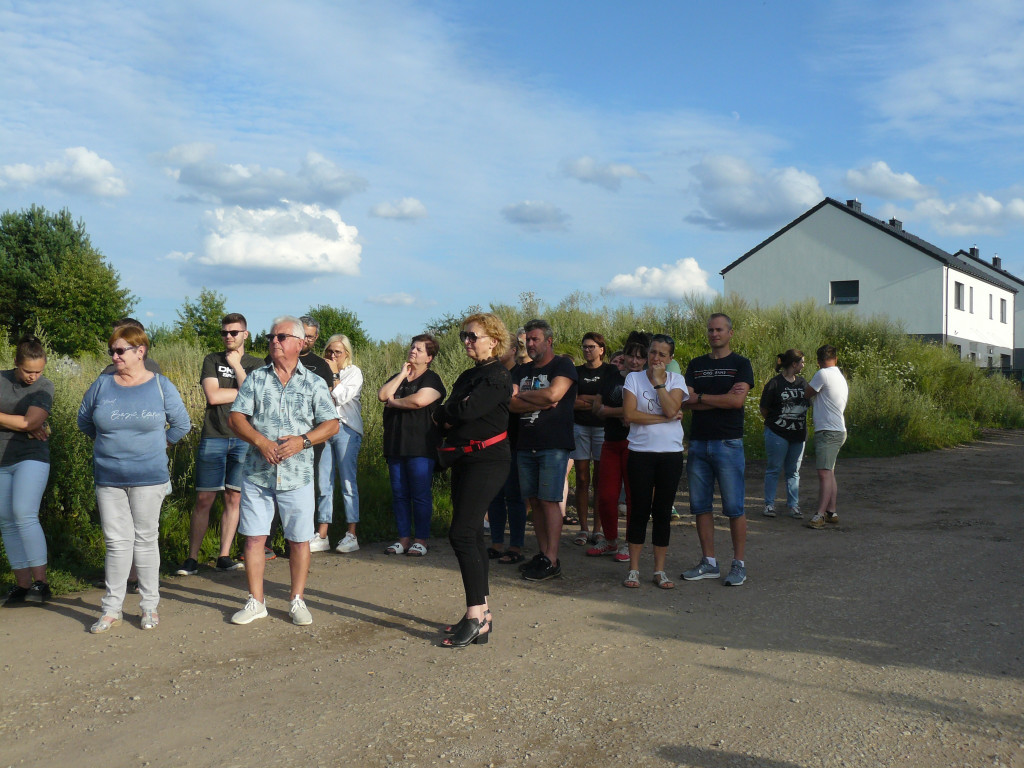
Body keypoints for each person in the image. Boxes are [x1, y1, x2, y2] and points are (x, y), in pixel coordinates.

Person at [78, 325, 191, 632]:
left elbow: (182, 424)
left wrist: (158, 446)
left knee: (145, 539)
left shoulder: (160, 386)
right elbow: (84, 420)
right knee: (116, 543)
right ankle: (111, 609)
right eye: (111, 351)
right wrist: (108, 447)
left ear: (140, 352)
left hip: (149, 476)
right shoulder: (102, 385)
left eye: (120, 351)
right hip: (109, 476)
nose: (114, 357)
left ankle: (149, 607)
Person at [227, 316, 338, 625]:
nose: (274, 341)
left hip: (297, 474)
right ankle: (256, 601)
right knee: (253, 538)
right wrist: (260, 441)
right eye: (271, 336)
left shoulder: (314, 382)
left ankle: (297, 599)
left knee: (299, 540)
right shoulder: (256, 379)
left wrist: (304, 441)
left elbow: (331, 424)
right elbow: (236, 418)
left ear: (300, 343)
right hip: (257, 473)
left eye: (282, 336)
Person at [437, 314, 512, 647]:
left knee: (463, 533)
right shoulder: (470, 375)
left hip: (489, 461)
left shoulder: (497, 375)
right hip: (464, 459)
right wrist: (453, 410)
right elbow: (448, 410)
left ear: (492, 340)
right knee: (472, 537)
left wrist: (453, 410)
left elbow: (463, 412)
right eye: (463, 336)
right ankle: (482, 614)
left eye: (472, 336)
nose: (466, 341)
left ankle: (476, 616)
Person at [176, 313, 262, 576]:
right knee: (204, 498)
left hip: (243, 438)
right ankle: (192, 558)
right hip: (214, 435)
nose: (228, 336)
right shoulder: (211, 359)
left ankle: (223, 555)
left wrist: (237, 367)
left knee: (233, 497)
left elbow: (256, 399)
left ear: (245, 334)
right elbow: (213, 396)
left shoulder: (256, 364)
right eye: (224, 332)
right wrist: (243, 391)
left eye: (234, 332)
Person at [681, 313, 754, 587]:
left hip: (728, 443)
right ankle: (709, 562)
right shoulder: (696, 364)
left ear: (730, 333)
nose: (714, 334)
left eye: (719, 329)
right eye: (710, 330)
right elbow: (685, 401)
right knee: (700, 507)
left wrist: (700, 397)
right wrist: (718, 399)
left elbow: (737, 403)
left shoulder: (741, 364)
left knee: (734, 507)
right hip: (698, 442)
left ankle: (739, 564)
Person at [509, 318, 578, 582]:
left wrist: (528, 397)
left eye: (535, 339)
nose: (530, 344)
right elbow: (511, 404)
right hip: (526, 443)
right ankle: (541, 553)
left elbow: (553, 396)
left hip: (553, 443)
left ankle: (552, 558)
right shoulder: (521, 371)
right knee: (534, 501)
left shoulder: (563, 365)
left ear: (549, 341)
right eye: (527, 339)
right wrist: (538, 398)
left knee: (549, 500)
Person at [621, 334, 688, 589]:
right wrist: (664, 418)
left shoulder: (676, 380)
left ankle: (659, 570)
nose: (655, 358)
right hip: (640, 453)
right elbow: (629, 414)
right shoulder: (633, 378)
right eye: (652, 352)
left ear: (670, 358)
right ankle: (634, 569)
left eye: (662, 354)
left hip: (669, 455)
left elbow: (673, 409)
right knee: (639, 510)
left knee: (662, 511)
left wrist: (660, 385)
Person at [378, 334, 446, 556]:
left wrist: (395, 402)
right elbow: (382, 395)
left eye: (419, 349)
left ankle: (421, 539)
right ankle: (403, 539)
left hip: (420, 447)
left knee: (420, 494)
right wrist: (401, 374)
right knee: (399, 494)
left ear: (429, 357)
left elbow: (419, 400)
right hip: (395, 446)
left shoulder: (432, 380)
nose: (413, 351)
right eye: (412, 347)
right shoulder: (400, 378)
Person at [0, 336, 54, 605]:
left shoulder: (44, 387)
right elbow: (23, 423)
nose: (34, 376)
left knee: (24, 513)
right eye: (28, 371)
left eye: (38, 371)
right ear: (15, 364)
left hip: (31, 456)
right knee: (7, 521)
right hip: (1, 461)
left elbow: (30, 421)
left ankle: (41, 584)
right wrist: (20, 424)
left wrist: (24, 424)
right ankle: (21, 585)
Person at [587, 337, 644, 560]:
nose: (635, 361)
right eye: (631, 355)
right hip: (610, 441)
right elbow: (596, 408)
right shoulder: (610, 376)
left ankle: (630, 545)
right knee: (606, 495)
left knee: (633, 497)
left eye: (640, 357)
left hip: (635, 443)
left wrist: (612, 411)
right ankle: (610, 540)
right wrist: (624, 412)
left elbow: (639, 411)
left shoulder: (647, 380)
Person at [310, 333, 364, 553]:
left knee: (348, 482)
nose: (332, 355)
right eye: (329, 351)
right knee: (324, 482)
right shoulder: (317, 373)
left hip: (346, 430)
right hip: (323, 428)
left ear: (346, 354)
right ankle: (322, 534)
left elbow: (340, 397)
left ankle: (352, 534)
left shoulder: (354, 372)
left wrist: (333, 374)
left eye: (337, 352)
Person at [570, 332, 615, 545]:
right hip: (579, 426)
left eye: (591, 347)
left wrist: (587, 400)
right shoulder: (576, 371)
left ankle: (598, 529)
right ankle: (583, 528)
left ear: (601, 349)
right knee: (581, 478)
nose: (587, 350)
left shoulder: (610, 371)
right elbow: (571, 401)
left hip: (602, 428)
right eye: (584, 347)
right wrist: (595, 401)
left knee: (599, 479)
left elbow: (610, 398)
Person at [488, 336, 527, 565]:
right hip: (492, 440)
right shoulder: (491, 373)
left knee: (514, 495)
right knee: (495, 495)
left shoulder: (522, 374)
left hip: (515, 439)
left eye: (500, 347)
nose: (495, 352)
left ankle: (516, 546)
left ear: (513, 350)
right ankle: (496, 543)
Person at [759, 349, 809, 519]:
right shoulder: (774, 384)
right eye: (801, 362)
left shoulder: (803, 383)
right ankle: (769, 505)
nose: (803, 365)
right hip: (777, 434)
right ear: (794, 364)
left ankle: (793, 506)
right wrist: (779, 423)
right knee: (774, 469)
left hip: (798, 435)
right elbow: (764, 409)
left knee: (793, 471)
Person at [805, 345, 849, 530]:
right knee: (829, 472)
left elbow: (807, 393)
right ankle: (831, 511)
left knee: (824, 473)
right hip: (837, 430)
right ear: (836, 359)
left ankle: (820, 514)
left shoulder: (822, 374)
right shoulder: (839, 376)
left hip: (828, 431)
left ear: (818, 361)